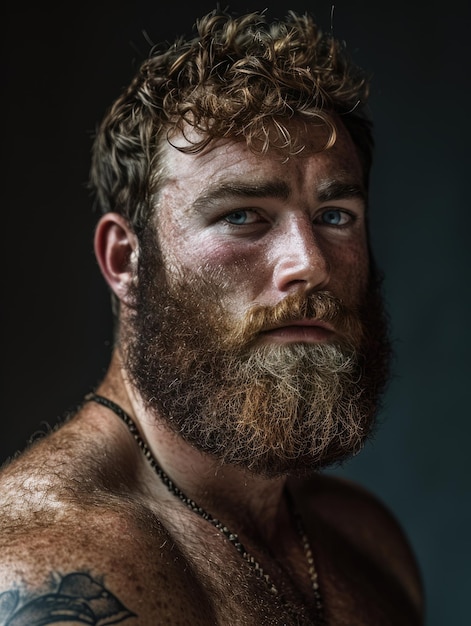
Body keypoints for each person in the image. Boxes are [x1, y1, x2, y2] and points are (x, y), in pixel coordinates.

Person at [0, 8, 424, 625]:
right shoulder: (46, 568)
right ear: (125, 261)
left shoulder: (366, 541)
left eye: (336, 216)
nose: (309, 264)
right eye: (243, 215)